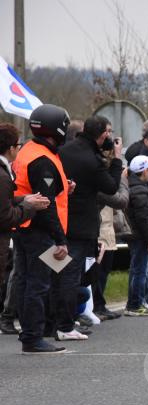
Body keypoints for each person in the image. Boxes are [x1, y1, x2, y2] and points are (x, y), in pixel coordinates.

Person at [56, 115, 123, 340]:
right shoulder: (91, 160)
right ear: (103, 134)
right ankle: (65, 326)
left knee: (55, 273)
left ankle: (52, 323)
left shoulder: (64, 151)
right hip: (81, 227)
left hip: (59, 222)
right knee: (71, 277)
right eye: (109, 132)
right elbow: (112, 187)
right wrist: (116, 159)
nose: (111, 137)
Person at [13, 104, 72, 353]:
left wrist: (64, 187)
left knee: (27, 281)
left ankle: (31, 331)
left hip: (25, 227)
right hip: (41, 232)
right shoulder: (43, 160)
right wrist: (60, 240)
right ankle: (33, 336)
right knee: (39, 284)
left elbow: (38, 190)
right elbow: (46, 205)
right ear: (56, 129)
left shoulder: (29, 150)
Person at [0, 123, 49, 326]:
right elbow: (5, 216)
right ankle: (15, 320)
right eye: (17, 145)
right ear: (11, 148)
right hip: (23, 233)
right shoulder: (3, 176)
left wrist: (24, 199)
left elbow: (7, 202)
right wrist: (29, 207)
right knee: (26, 277)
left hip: (16, 236)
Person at [124, 155, 148, 316]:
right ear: (145, 171)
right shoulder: (140, 191)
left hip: (134, 235)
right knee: (140, 271)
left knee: (136, 268)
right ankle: (135, 304)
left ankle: (133, 303)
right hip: (141, 236)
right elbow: (144, 218)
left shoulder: (131, 185)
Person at [93, 168, 129, 320]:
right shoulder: (98, 178)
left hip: (108, 228)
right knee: (96, 272)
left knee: (105, 269)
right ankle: (95, 305)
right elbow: (120, 200)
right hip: (98, 229)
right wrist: (121, 178)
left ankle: (100, 304)